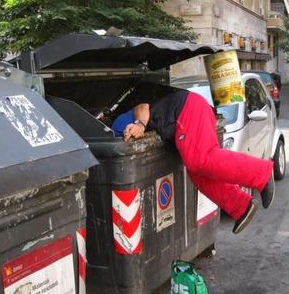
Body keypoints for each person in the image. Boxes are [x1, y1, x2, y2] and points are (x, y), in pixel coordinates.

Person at [112, 89, 275, 234]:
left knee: (200, 158)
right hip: (192, 110)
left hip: (187, 109)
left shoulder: (117, 124)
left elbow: (142, 107)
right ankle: (241, 207)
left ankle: (262, 174)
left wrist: (139, 124)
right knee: (198, 175)